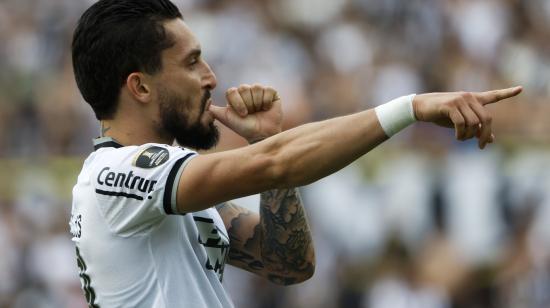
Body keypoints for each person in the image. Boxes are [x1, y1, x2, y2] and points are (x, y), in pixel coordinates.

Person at [69, 0, 522, 307]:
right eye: (191, 62)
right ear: (140, 86)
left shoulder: (162, 193)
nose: (210, 77)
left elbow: (289, 264)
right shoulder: (115, 174)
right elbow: (278, 162)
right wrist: (412, 107)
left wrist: (264, 141)